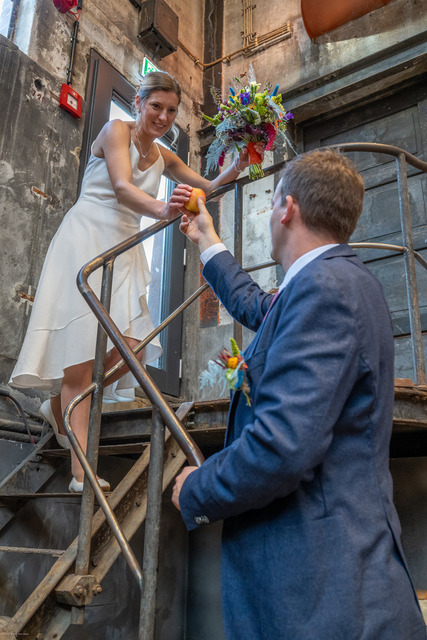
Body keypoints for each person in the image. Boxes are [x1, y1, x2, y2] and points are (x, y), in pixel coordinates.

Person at [173, 149, 426, 639]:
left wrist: (197, 488)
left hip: (325, 594)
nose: (270, 215)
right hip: (328, 583)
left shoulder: (326, 287)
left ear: (287, 208)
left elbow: (281, 448)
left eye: (271, 204)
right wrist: (206, 238)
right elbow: (257, 305)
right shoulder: (326, 282)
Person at [10, 71, 258, 493]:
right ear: (139, 103)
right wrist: (164, 210)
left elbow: (208, 187)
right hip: (87, 239)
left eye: (172, 111)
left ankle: (58, 408)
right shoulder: (115, 131)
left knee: (134, 348)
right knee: (81, 354)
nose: (164, 116)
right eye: (156, 106)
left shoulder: (164, 155)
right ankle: (80, 472)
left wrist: (239, 164)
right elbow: (123, 188)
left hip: (124, 251)